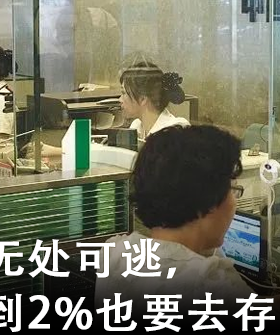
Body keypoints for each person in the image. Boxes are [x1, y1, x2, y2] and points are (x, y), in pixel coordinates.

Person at [94, 125, 253, 316]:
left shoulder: (117, 254)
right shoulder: (212, 284)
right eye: (232, 190)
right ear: (210, 201)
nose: (234, 200)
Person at [28, 58, 189, 158]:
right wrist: (56, 151)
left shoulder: (174, 130)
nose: (120, 100)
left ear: (142, 99)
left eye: (124, 93)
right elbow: (107, 152)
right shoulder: (137, 127)